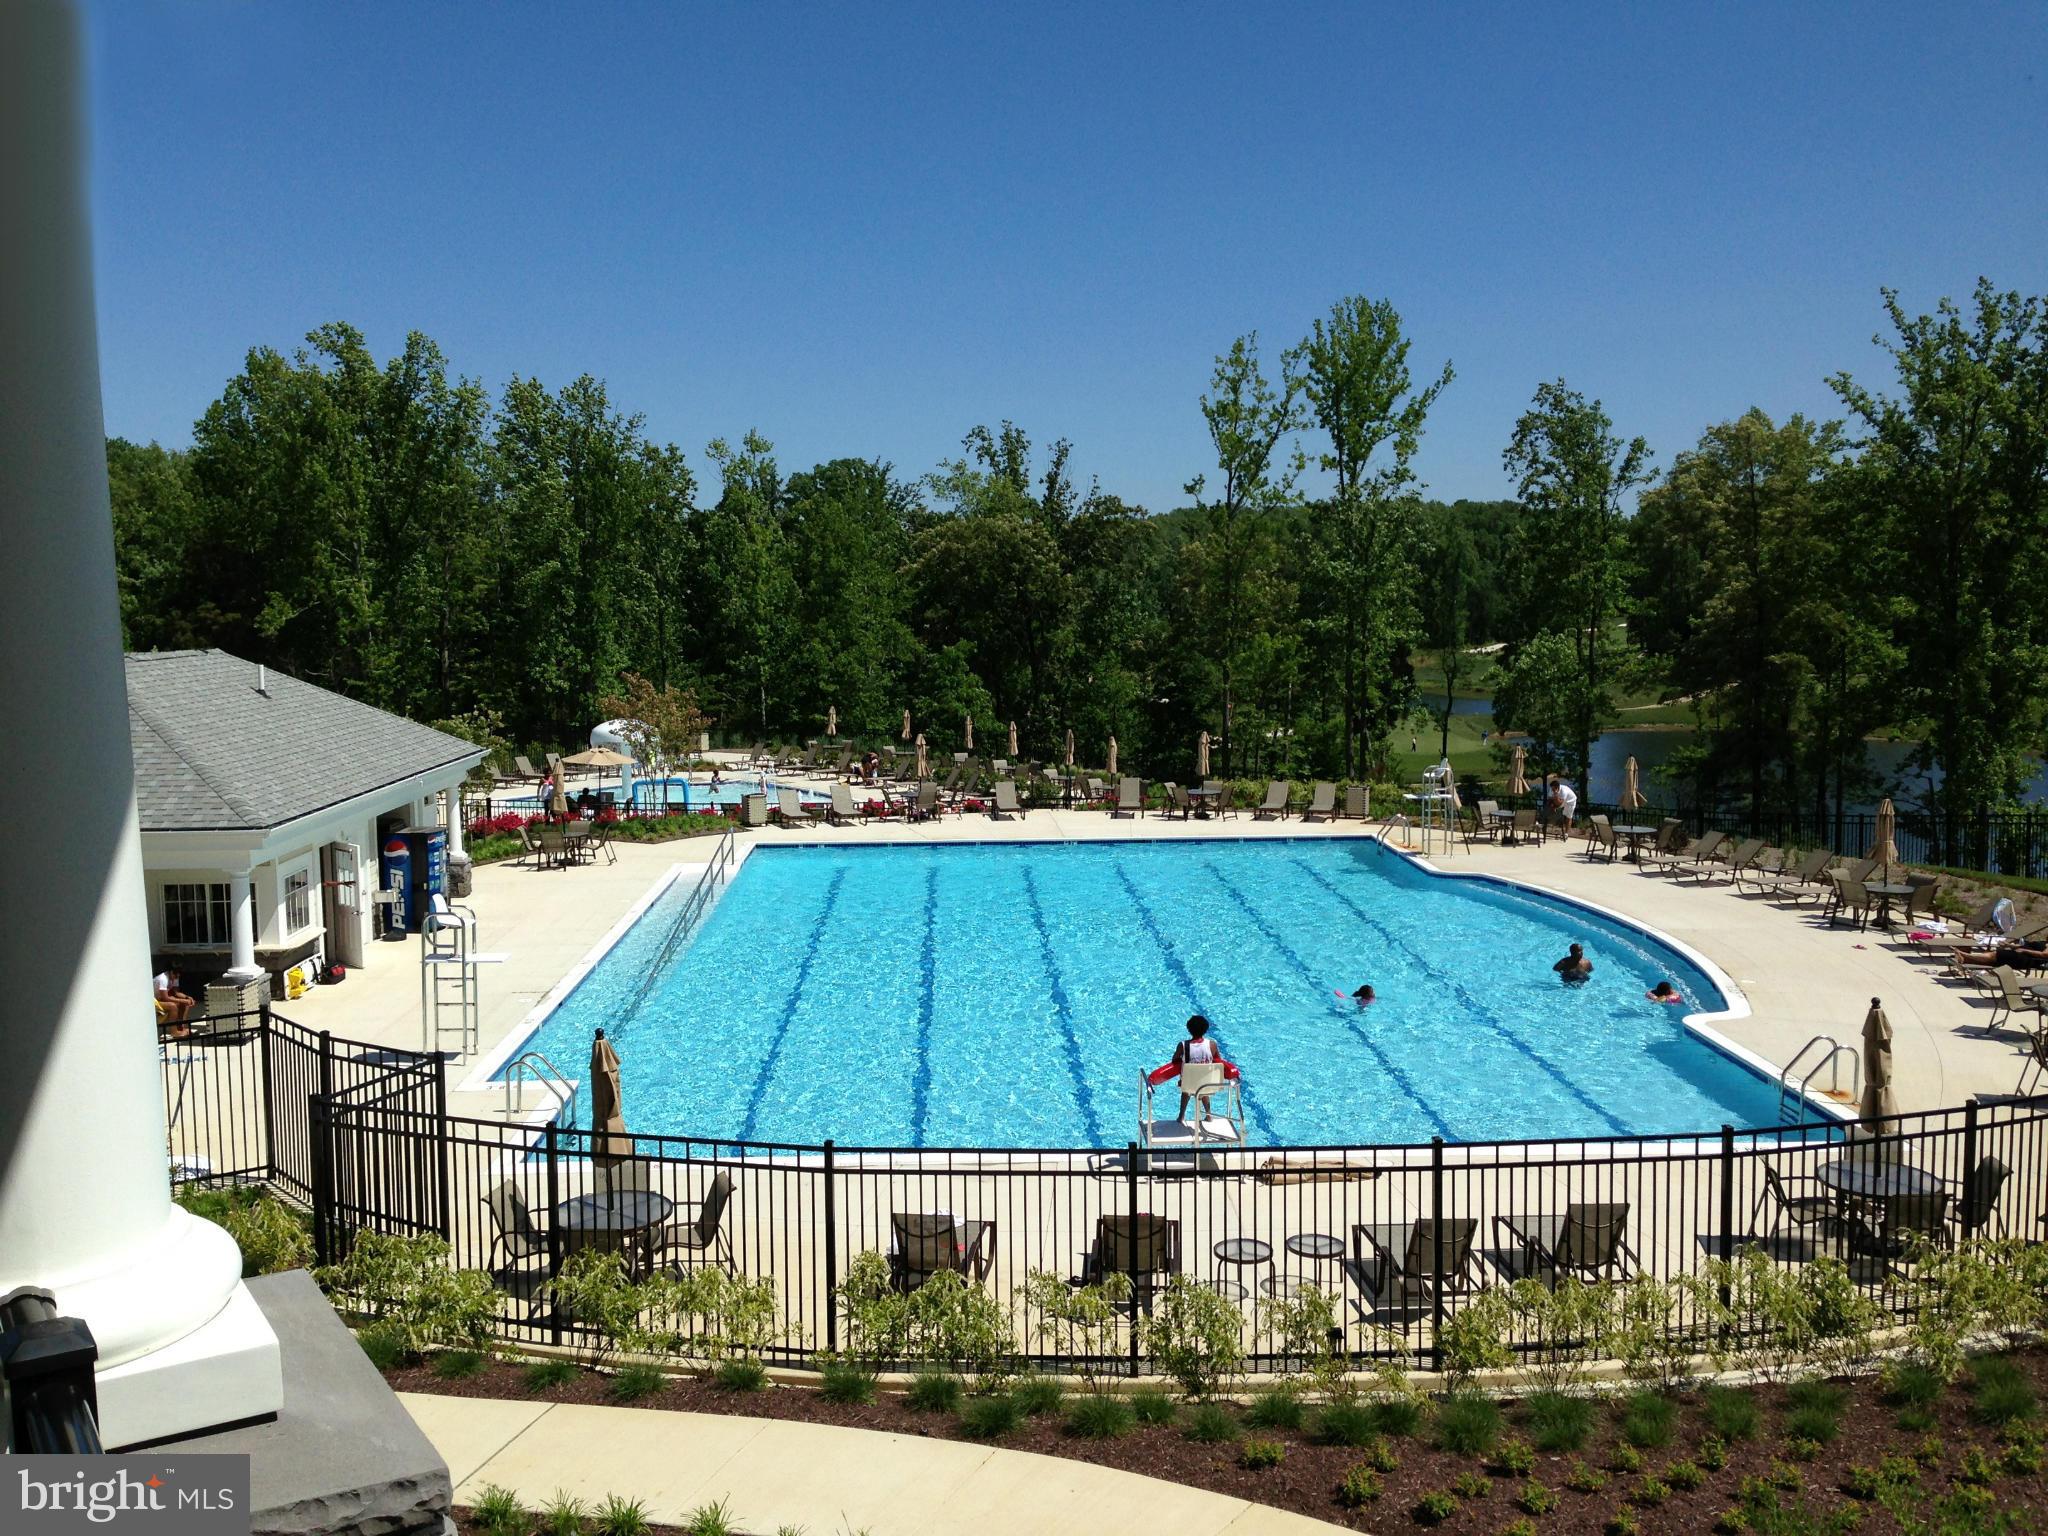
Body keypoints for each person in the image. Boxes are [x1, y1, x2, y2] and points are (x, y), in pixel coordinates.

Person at [1171, 1014, 1229, 1121]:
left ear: (1189, 1029)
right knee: (1203, 1086)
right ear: (1205, 1030)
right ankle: (1208, 1115)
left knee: (1185, 1090)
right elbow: (1218, 1061)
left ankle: (1181, 1116)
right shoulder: (1212, 1045)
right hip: (1208, 1083)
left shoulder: (1183, 1045)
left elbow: (1174, 1060)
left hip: (1188, 1083)